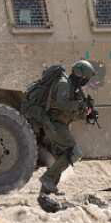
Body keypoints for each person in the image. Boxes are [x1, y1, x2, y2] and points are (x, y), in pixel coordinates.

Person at [37, 60, 96, 196]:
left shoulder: (73, 87)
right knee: (75, 153)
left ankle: (45, 194)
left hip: (59, 125)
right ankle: (47, 179)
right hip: (54, 124)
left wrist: (87, 114)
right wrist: (80, 105)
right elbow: (62, 104)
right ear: (79, 73)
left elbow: (70, 113)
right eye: (85, 78)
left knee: (60, 158)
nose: (86, 81)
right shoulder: (64, 84)